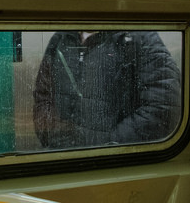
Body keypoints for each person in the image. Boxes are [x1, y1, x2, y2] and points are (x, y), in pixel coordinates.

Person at [33, 31, 181, 149]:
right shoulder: (61, 38)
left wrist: (106, 144)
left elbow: (164, 107)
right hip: (64, 157)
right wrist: (55, 137)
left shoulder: (138, 37)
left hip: (115, 162)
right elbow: (43, 95)